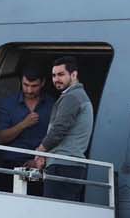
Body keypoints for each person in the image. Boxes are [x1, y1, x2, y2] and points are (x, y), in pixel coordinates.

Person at [31, 55, 95, 202]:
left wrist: (40, 151)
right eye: (54, 75)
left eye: (61, 74)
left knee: (55, 215)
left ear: (74, 74)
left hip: (63, 166)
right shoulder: (77, 96)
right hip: (69, 166)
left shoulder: (72, 97)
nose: (56, 79)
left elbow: (58, 130)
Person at [0, 63, 55, 192]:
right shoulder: (8, 104)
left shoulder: (53, 105)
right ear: (21, 81)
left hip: (42, 167)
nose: (29, 90)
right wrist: (23, 124)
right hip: (12, 166)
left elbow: (58, 137)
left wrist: (39, 160)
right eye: (26, 85)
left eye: (34, 86)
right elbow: (1, 138)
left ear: (43, 83)